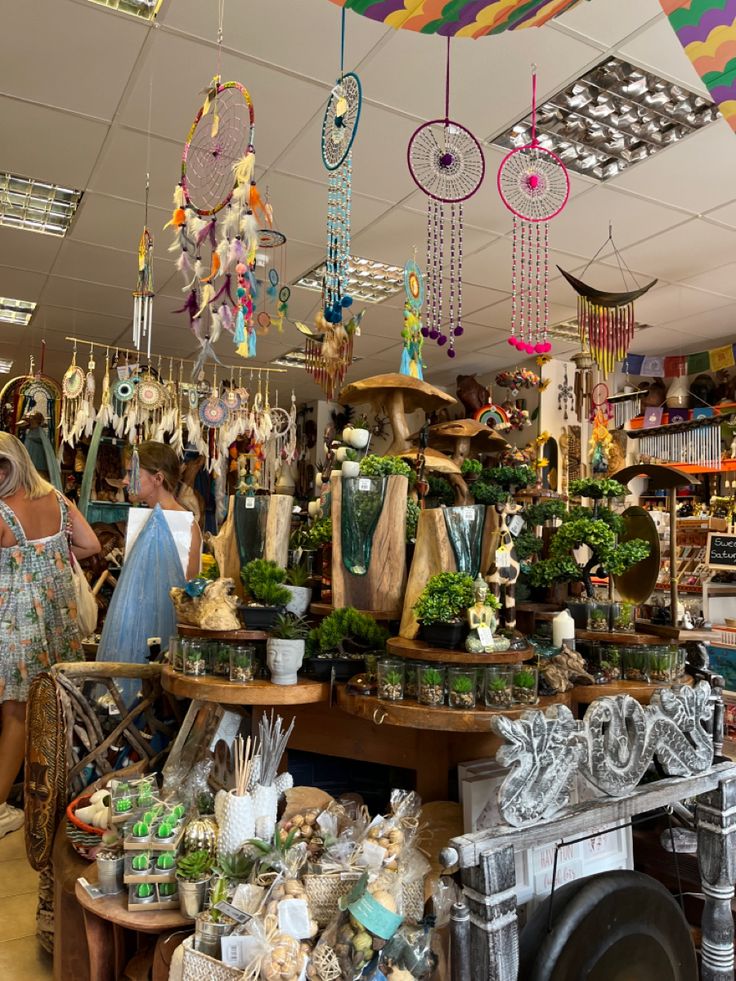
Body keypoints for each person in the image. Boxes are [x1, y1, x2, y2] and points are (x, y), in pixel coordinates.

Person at [0, 433, 100, 838]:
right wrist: (53, 555)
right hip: (57, 617)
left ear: (7, 466)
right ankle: (47, 795)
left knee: (16, 716)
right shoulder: (60, 501)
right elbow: (91, 544)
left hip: (14, 623)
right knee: (51, 713)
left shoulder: (3, 512)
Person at [123, 441, 201, 579]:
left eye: (132, 474)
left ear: (158, 478)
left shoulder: (183, 526)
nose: (125, 481)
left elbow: (186, 590)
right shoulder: (149, 518)